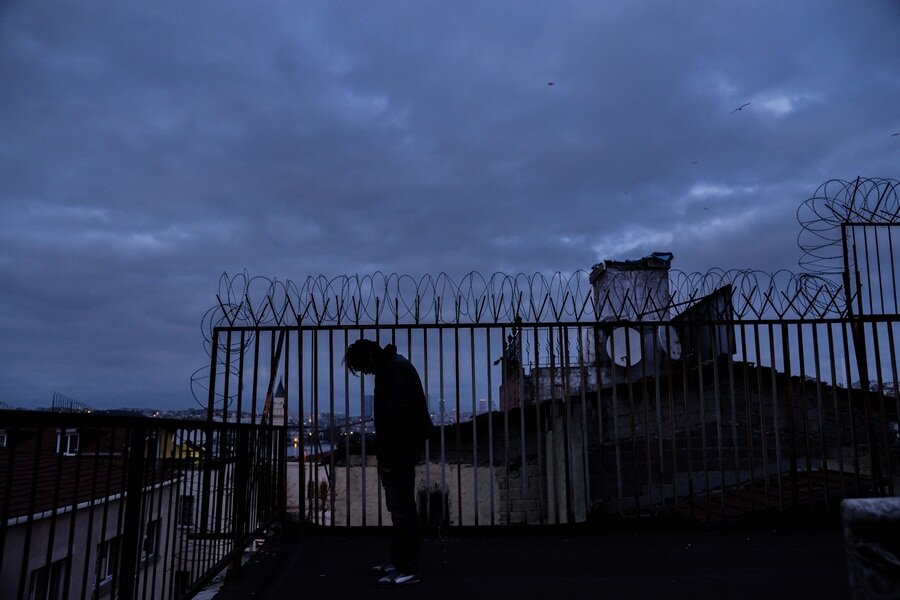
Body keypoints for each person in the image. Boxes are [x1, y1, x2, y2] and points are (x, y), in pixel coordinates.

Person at [343, 338, 433, 587]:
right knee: (399, 508)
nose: (364, 372)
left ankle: (408, 567)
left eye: (362, 367)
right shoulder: (393, 366)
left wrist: (387, 454)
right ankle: (399, 562)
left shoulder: (393, 371)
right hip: (401, 448)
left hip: (400, 450)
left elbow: (396, 416)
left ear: (370, 357)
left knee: (402, 509)